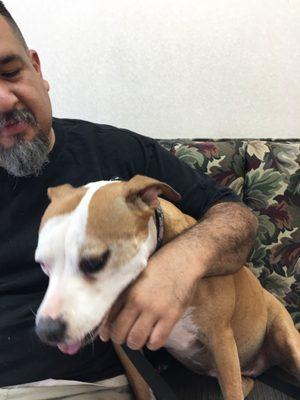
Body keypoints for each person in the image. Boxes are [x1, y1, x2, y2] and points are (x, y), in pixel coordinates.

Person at [0, 2, 258, 399]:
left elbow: (235, 216)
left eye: (10, 72)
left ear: (36, 68)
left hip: (85, 384)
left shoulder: (118, 153)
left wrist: (177, 263)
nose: (3, 101)